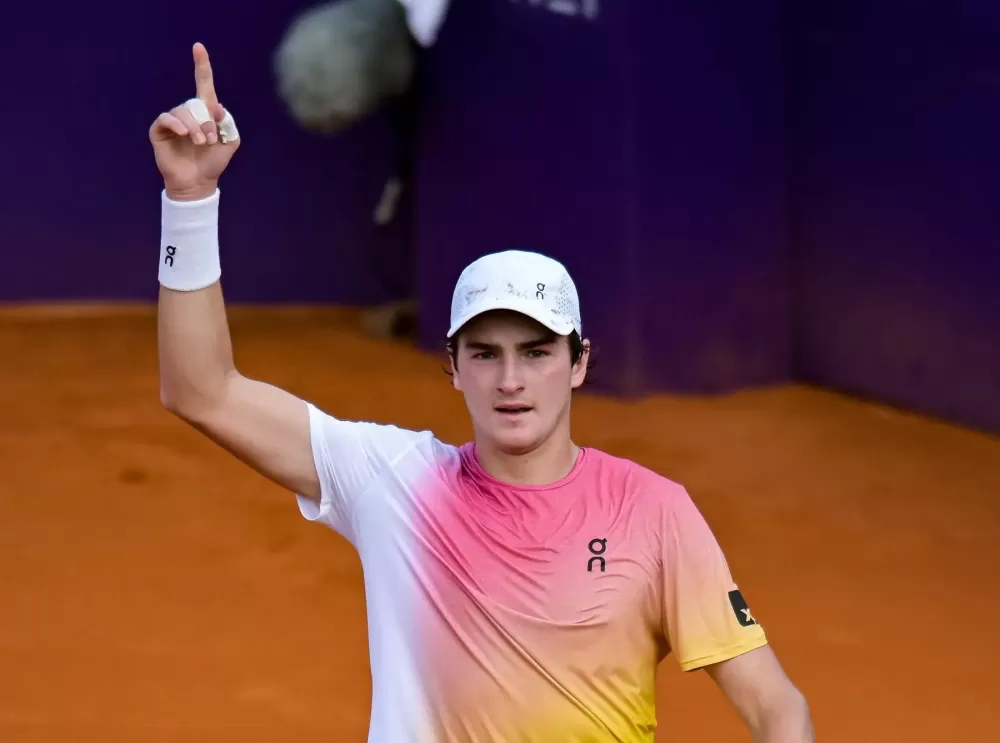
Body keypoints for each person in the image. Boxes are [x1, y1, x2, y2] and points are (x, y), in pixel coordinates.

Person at [150, 43, 815, 743]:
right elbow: (202, 390)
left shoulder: (653, 513)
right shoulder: (393, 481)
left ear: (579, 362)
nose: (510, 380)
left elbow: (778, 708)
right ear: (454, 366)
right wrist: (189, 201)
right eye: (485, 354)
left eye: (536, 353)